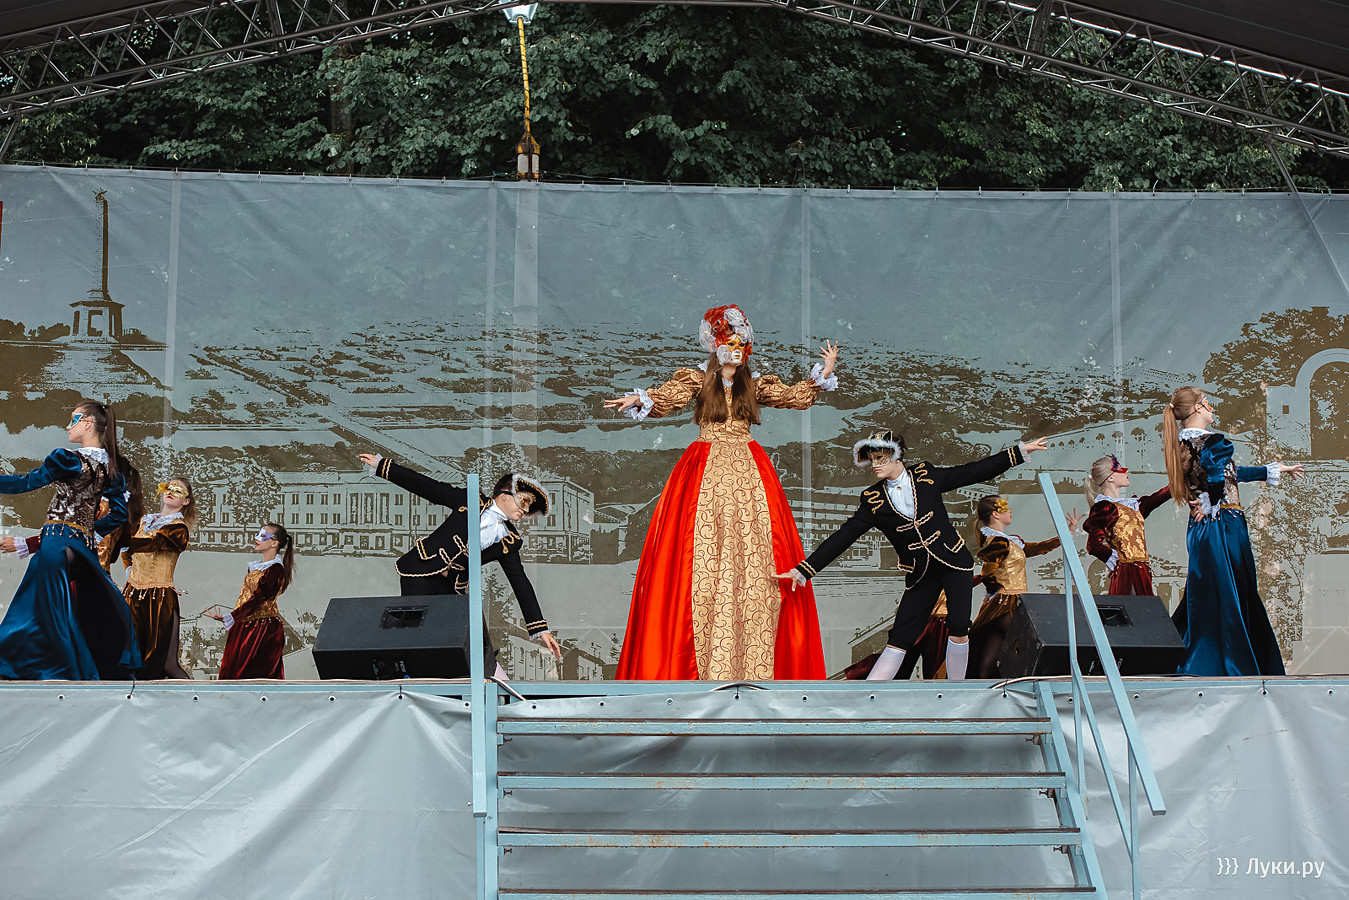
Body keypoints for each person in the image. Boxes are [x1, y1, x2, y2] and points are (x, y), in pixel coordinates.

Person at [604, 305, 837, 681]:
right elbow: (669, 396)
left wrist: (822, 375)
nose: (736, 348)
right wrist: (640, 399)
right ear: (715, 345)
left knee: (755, 553)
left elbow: (793, 396)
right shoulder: (697, 379)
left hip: (748, 469)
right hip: (704, 469)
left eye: (741, 342)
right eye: (729, 342)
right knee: (698, 551)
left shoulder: (754, 384)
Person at [779, 429, 1048, 681]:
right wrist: (804, 570)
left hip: (953, 562)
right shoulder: (873, 500)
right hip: (921, 572)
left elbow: (971, 471)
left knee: (958, 627)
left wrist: (1018, 452)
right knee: (900, 637)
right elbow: (844, 536)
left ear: (897, 456)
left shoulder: (926, 476)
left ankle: (956, 690)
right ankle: (868, 694)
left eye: (881, 458)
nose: (875, 465)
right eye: (872, 459)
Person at [358, 453, 563, 680]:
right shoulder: (471, 501)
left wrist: (540, 629)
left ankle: (493, 678)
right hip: (421, 572)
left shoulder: (510, 540)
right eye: (524, 502)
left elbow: (520, 581)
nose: (525, 512)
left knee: (466, 633)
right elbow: (430, 488)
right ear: (505, 495)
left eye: (530, 510)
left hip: (451, 587)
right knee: (416, 631)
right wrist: (383, 467)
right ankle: (403, 678)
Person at [1162, 387, 1304, 676]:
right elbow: (1217, 478)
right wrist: (1211, 500)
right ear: (1198, 408)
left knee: (1208, 594)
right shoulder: (1213, 442)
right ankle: (1230, 662)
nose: (1211, 407)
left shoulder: (1182, 443)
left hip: (1202, 528)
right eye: (1207, 402)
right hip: (1223, 524)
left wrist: (1274, 470)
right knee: (1232, 593)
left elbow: (1228, 474)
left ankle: (1201, 656)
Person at [0, 400, 140, 679]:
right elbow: (119, 513)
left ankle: (72, 673)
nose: (68, 426)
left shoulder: (68, 459)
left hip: (56, 543)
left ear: (87, 423)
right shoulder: (110, 468)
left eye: (73, 419)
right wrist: (90, 531)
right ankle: (39, 669)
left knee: (40, 611)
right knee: (50, 609)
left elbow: (27, 482)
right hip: (81, 548)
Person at [967, 495, 1080, 679]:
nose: (1010, 511)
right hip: (1007, 602)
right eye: (1006, 508)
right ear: (996, 514)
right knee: (1029, 645)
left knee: (990, 657)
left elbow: (1037, 548)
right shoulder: (997, 542)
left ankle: (984, 686)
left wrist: (1067, 533)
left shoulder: (1010, 541)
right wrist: (995, 591)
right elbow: (988, 574)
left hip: (1009, 601)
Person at [121, 478, 195, 679]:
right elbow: (126, 551)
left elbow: (152, 543)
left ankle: (196, 696)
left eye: (178, 490)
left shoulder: (179, 529)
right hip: (131, 594)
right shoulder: (144, 521)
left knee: (163, 663)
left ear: (186, 501)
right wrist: (130, 569)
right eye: (169, 488)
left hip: (159, 599)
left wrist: (119, 540)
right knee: (130, 658)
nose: (171, 491)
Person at [207, 522, 294, 679]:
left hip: (263, 629)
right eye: (258, 534)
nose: (257, 538)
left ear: (274, 543)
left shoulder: (276, 569)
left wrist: (232, 616)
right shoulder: (256, 567)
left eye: (263, 535)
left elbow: (259, 598)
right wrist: (234, 617)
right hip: (247, 625)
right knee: (234, 673)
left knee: (254, 675)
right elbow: (247, 597)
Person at [1082, 455, 1170, 596]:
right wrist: (1118, 560)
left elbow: (1160, 496)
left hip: (1142, 571)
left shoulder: (1133, 506)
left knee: (1144, 607)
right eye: (1120, 468)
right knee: (1134, 607)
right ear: (1110, 477)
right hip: (1128, 573)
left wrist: (1179, 480)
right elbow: (1093, 545)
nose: (1126, 471)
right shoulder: (1104, 507)